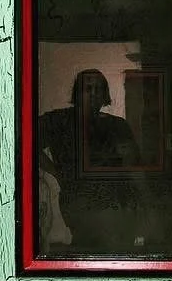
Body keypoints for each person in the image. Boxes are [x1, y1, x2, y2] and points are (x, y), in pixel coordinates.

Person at [36, 68, 142, 252]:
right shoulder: (59, 121)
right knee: (91, 248)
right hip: (81, 200)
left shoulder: (117, 125)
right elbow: (24, 140)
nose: (93, 94)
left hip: (118, 203)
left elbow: (133, 166)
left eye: (98, 89)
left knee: (118, 250)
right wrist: (56, 172)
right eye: (88, 88)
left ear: (105, 94)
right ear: (77, 92)